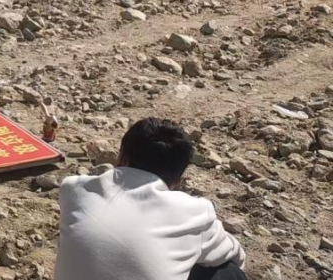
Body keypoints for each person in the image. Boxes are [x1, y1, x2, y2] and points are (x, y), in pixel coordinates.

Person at [56, 118, 247, 280]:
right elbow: (235, 256)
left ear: (122, 157)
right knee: (226, 272)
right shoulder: (195, 211)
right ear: (177, 180)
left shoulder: (74, 189)